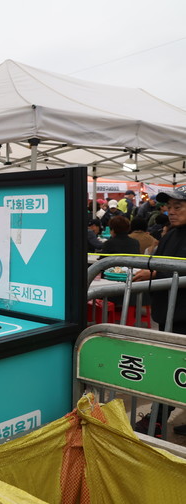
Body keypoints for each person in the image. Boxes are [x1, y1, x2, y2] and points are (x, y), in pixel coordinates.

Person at [132, 185, 186, 436]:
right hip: (169, 314)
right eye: (168, 207)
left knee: (172, 368)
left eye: (178, 207)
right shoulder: (171, 234)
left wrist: (153, 274)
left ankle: (156, 419)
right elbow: (162, 265)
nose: (170, 212)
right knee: (172, 366)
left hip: (183, 316)